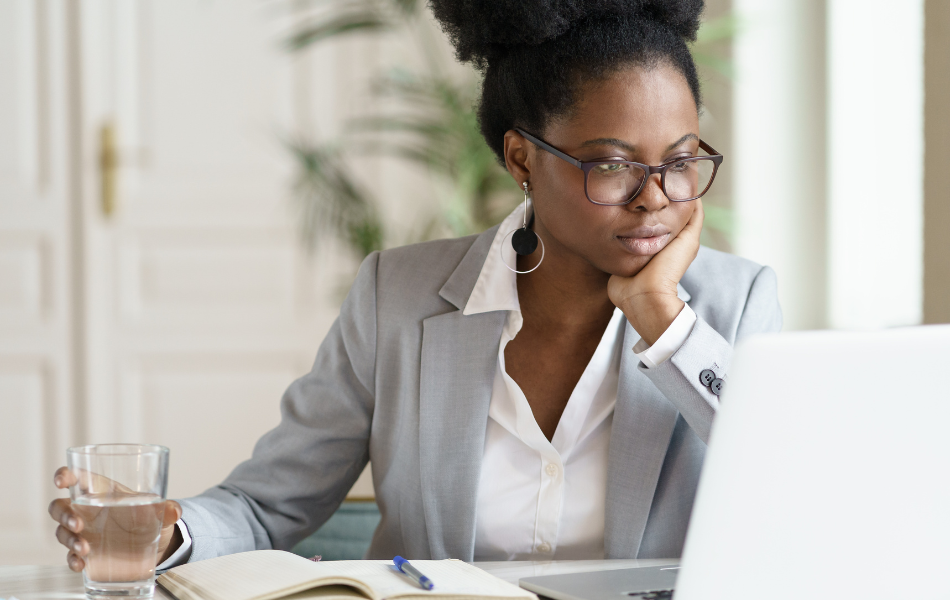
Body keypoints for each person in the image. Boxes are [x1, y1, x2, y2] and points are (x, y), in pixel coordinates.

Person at [48, 0, 781, 569]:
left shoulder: (735, 305)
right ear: (523, 159)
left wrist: (664, 320)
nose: (656, 198)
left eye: (681, 161)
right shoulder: (395, 299)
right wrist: (165, 531)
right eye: (613, 165)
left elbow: (793, 483)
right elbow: (266, 505)